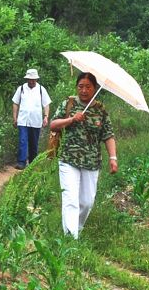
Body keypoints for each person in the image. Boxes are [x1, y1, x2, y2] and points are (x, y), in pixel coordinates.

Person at [49, 72, 118, 238]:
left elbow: (108, 135)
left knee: (87, 202)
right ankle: (71, 238)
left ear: (94, 89)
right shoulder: (69, 103)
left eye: (88, 87)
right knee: (70, 199)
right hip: (68, 159)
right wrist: (71, 119)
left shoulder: (101, 110)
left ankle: (77, 228)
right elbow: (53, 124)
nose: (84, 90)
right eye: (81, 86)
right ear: (76, 87)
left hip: (92, 162)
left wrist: (113, 158)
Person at [11, 68, 51, 168]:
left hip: (36, 121)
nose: (32, 81)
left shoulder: (41, 89)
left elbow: (46, 104)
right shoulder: (21, 89)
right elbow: (15, 103)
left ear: (36, 79)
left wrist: (46, 116)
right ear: (27, 79)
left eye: (34, 79)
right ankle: (21, 162)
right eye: (30, 79)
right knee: (23, 141)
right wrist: (14, 117)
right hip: (23, 120)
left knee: (34, 143)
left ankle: (33, 163)